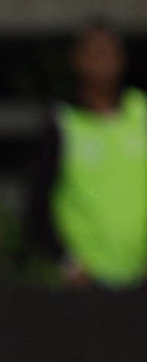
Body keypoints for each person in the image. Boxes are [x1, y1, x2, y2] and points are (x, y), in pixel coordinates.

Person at [29, 21, 147, 289]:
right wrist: (66, 262)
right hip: (86, 283)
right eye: (94, 54)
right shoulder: (63, 123)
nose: (102, 62)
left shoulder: (141, 114)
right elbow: (37, 204)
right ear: (77, 60)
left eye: (109, 53)